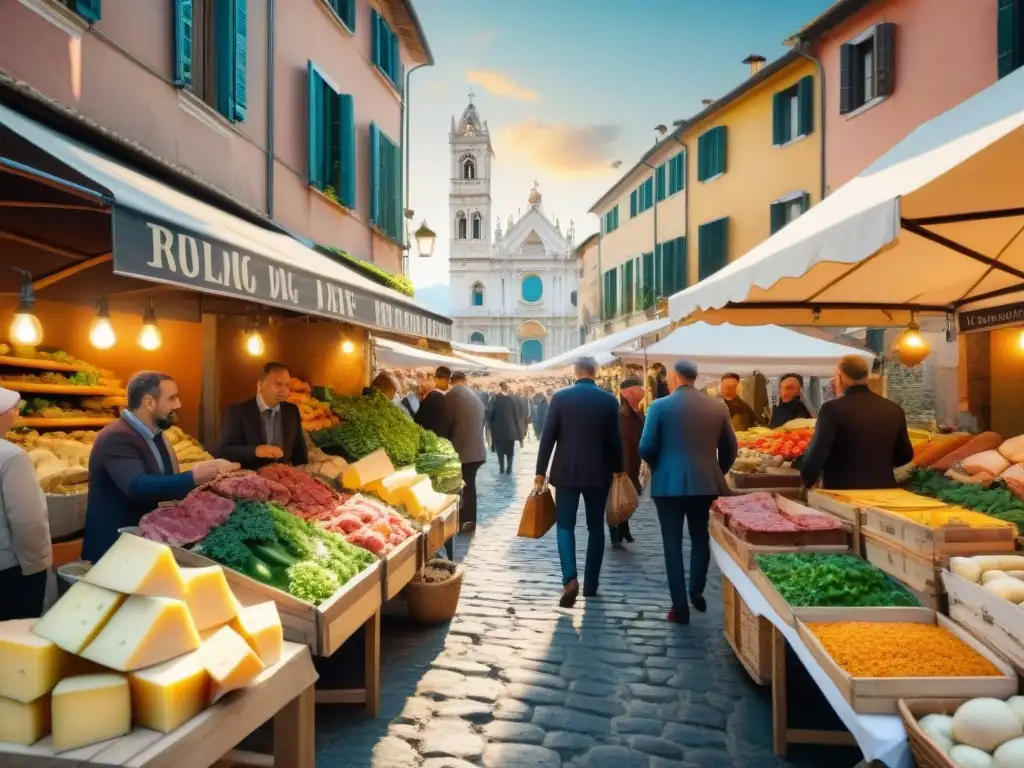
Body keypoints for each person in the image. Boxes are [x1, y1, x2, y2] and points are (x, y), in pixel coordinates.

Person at [84, 372, 238, 562]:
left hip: (143, 547)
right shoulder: (117, 436)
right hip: (114, 552)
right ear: (149, 402)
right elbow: (136, 485)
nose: (178, 404)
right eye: (172, 398)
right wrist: (193, 477)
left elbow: (163, 481)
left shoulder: (157, 434)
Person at [640, 360, 737, 624]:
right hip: (705, 481)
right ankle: (696, 589)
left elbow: (646, 447)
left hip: (667, 483)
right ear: (696, 378)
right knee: (699, 536)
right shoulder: (718, 406)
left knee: (671, 544)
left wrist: (659, 465)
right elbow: (731, 448)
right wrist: (715, 469)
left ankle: (679, 607)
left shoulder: (659, 406)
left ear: (673, 377)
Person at [536, 357, 624, 608]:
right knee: (596, 527)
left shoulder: (560, 398)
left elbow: (548, 437)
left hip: (566, 472)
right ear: (596, 373)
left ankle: (570, 579)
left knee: (565, 526)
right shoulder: (608, 400)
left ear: (575, 372)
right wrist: (619, 470)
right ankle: (592, 583)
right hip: (599, 472)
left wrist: (540, 472)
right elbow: (615, 441)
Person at [800, 355, 914, 490]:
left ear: (841, 376)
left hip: (843, 493)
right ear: (866, 376)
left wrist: (806, 481)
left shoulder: (831, 409)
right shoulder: (894, 409)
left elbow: (817, 454)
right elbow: (905, 456)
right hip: (884, 492)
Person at [0, 386, 51, 620]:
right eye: (13, 411)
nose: (16, 415)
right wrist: (37, 567)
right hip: (9, 571)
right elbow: (28, 522)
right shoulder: (11, 457)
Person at [217, 362, 309, 469]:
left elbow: (299, 452)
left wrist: (300, 478)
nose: (284, 390)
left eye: (287, 385)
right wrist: (255, 451)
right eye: (278, 384)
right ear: (260, 385)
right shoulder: (238, 412)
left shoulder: (291, 411)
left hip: (283, 477)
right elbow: (223, 451)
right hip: (249, 478)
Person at [443, 372, 487, 532]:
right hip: (476, 450)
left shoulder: (451, 396)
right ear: (464, 381)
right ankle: (469, 520)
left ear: (451, 382)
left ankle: (462, 520)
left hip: (461, 451)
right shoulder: (475, 397)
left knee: (461, 486)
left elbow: (446, 424)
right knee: (469, 485)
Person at [611, 376, 645, 547]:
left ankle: (622, 526)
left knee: (628, 496)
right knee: (621, 495)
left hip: (634, 460)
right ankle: (617, 527)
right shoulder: (621, 414)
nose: (643, 391)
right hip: (623, 461)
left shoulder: (638, 412)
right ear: (630, 392)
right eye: (640, 388)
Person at [488, 382, 519, 474]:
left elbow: (491, 414)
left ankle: (501, 469)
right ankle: (509, 469)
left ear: (499, 388)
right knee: (510, 450)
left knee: (500, 451)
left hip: (498, 429)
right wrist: (517, 430)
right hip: (510, 429)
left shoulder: (494, 398)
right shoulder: (513, 398)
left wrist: (490, 425)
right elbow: (516, 415)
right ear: (507, 388)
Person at [415, 366, 451, 435]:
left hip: (431, 434)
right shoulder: (451, 395)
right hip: (444, 435)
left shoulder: (433, 395)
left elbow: (419, 418)